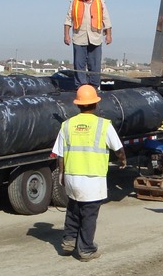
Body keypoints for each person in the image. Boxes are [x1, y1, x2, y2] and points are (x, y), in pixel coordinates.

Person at [51, 84, 126, 260]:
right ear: (96, 104)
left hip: (72, 176)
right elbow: (118, 148)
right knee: (89, 213)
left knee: (73, 208)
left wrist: (62, 176)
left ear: (77, 104)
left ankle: (69, 241)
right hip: (92, 178)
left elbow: (60, 155)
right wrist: (123, 160)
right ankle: (86, 249)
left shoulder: (67, 125)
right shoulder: (103, 125)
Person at [64, 0, 112, 88]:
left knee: (94, 64)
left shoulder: (100, 2)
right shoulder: (75, 2)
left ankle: (94, 87)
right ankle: (80, 87)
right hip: (79, 38)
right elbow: (67, 20)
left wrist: (108, 35)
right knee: (79, 65)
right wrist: (66, 35)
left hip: (95, 38)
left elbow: (107, 20)